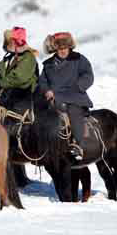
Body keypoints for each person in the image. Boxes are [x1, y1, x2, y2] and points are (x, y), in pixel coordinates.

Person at [40, 32, 94, 160]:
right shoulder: (48, 64)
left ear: (69, 47)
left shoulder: (79, 59)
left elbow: (88, 76)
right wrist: (46, 90)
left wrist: (78, 86)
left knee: (73, 111)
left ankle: (78, 145)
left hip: (75, 97)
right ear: (55, 49)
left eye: (65, 48)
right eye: (60, 48)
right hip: (53, 99)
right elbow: (42, 81)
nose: (63, 51)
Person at [0, 27, 39, 118]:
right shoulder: (10, 57)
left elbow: (19, 78)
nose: (8, 43)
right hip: (7, 93)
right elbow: (2, 75)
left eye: (10, 41)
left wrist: (1, 83)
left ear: (16, 42)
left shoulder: (28, 57)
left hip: (22, 95)